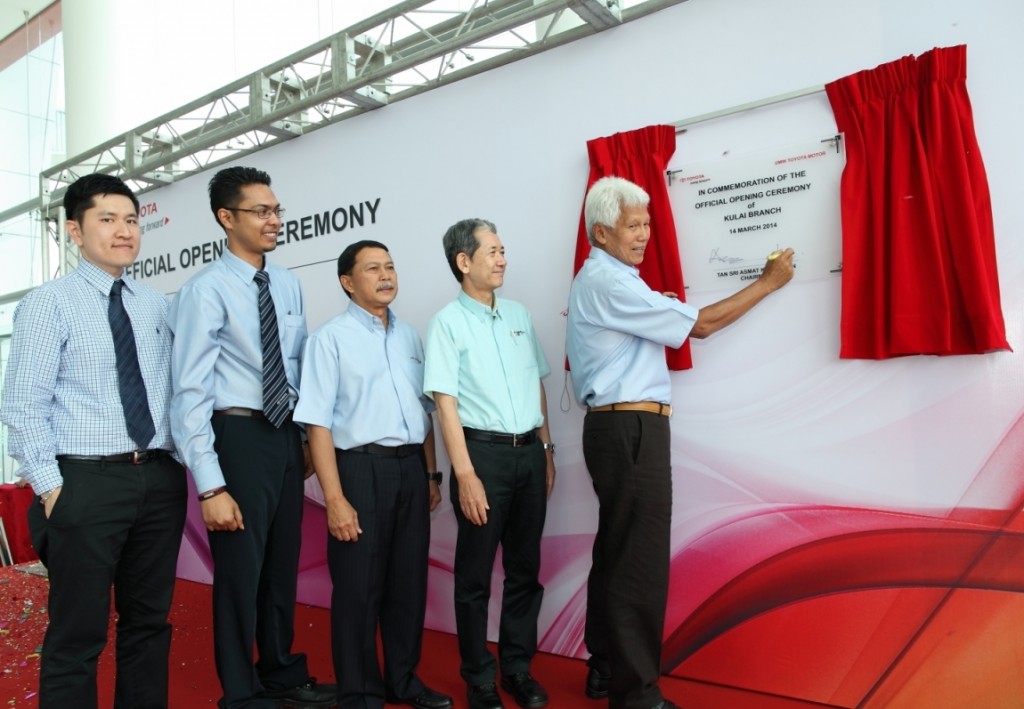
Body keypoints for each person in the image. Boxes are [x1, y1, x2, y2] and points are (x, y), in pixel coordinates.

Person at [567, 176, 796, 709]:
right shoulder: (613, 282)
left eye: (647, 223)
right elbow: (706, 324)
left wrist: (656, 302)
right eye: (633, 225)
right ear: (601, 232)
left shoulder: (613, 279)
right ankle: (636, 693)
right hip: (631, 431)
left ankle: (605, 668)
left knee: (617, 551)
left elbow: (647, 319)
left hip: (617, 429)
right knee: (638, 562)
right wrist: (768, 282)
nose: (645, 234)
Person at [0, 173, 187, 708]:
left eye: (131, 220)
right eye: (107, 219)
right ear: (74, 232)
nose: (124, 230)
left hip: (157, 476)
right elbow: (22, 404)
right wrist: (53, 487)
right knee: (77, 635)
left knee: (149, 624)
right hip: (84, 482)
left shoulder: (157, 304)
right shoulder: (47, 303)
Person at [168, 166, 335, 709]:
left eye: (276, 210)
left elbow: (296, 362)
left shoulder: (285, 282)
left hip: (284, 436)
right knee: (241, 571)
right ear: (226, 217)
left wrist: (308, 438)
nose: (273, 220)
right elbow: (188, 390)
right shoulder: (203, 291)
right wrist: (211, 486)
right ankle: (240, 692)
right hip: (235, 433)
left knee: (281, 564)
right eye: (261, 211)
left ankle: (281, 671)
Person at [294, 240, 454, 709]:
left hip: (410, 470)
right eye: (372, 269)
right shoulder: (329, 340)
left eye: (390, 266)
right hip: (359, 470)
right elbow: (318, 424)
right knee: (359, 590)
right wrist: (335, 498)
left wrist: (430, 476)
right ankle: (360, 694)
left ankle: (402, 681)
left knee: (408, 585)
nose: (385, 275)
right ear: (347, 282)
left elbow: (424, 413)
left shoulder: (410, 337)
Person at [423, 219, 556, 709]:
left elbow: (536, 383)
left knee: (526, 570)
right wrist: (465, 475)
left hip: (529, 455)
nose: (502, 259)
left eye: (503, 250)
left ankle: (518, 669)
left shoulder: (519, 313)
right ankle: (479, 677)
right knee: (475, 575)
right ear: (464, 262)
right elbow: (446, 404)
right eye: (493, 251)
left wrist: (547, 448)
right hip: (482, 458)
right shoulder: (446, 324)